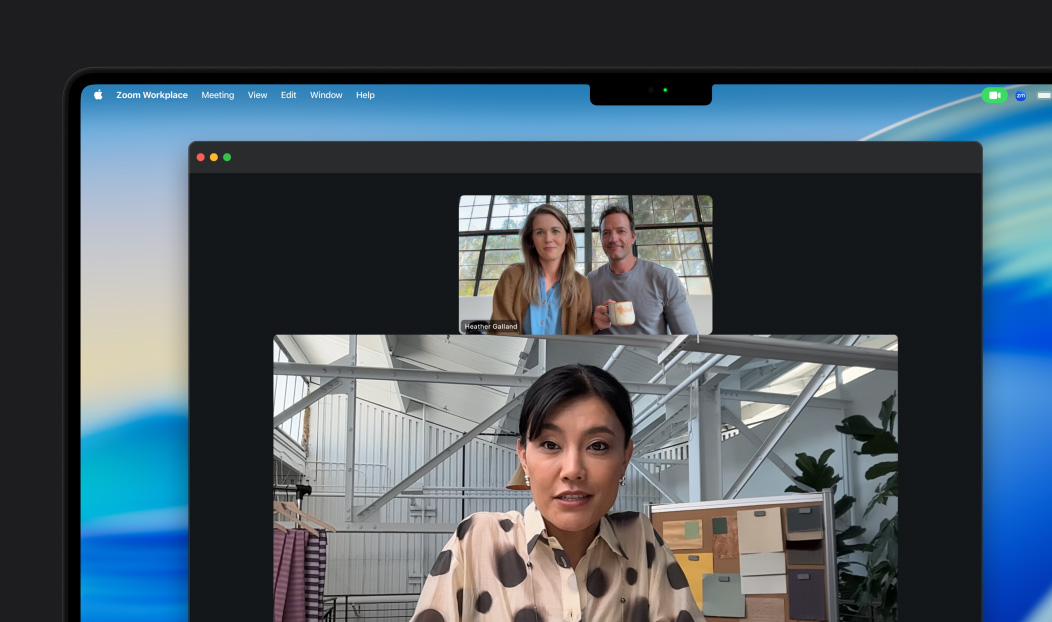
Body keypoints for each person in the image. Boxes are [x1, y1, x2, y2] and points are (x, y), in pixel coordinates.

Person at [411, 364, 706, 622]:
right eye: (550, 444)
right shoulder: (478, 541)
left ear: (625, 457)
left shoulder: (640, 542)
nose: (572, 470)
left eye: (598, 446)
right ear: (524, 456)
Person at [589, 205, 699, 335]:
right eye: (606, 233)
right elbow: (578, 335)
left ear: (633, 237)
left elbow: (688, 338)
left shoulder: (664, 278)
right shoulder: (590, 281)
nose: (613, 239)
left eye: (621, 231)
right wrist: (593, 324)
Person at [489, 204, 592, 335]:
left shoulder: (581, 284)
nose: (548, 239)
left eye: (555, 231)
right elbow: (503, 331)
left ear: (567, 237)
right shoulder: (512, 277)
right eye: (540, 232)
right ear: (531, 239)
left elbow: (583, 335)